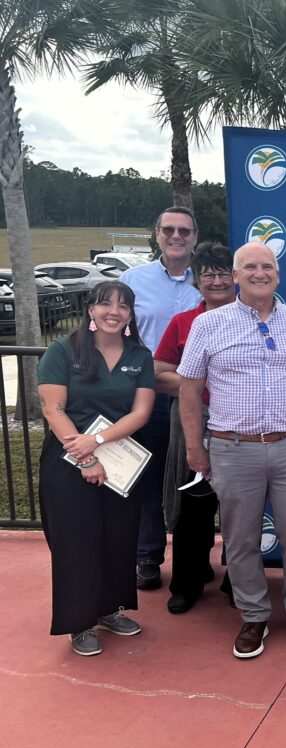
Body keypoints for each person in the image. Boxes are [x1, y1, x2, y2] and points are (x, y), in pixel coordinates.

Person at [177, 242, 286, 659]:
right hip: (232, 448)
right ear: (235, 274)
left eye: (267, 266)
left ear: (277, 275)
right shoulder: (209, 325)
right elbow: (189, 390)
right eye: (249, 267)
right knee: (241, 540)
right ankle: (254, 616)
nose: (259, 272)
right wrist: (195, 447)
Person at [37, 282, 156, 656]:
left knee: (118, 538)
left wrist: (100, 442)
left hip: (119, 461)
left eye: (123, 306)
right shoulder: (63, 350)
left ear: (131, 314)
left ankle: (109, 609)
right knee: (77, 542)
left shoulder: (139, 355)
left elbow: (141, 412)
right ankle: (79, 622)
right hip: (69, 460)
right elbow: (53, 409)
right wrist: (85, 456)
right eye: (105, 304)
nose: (113, 312)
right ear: (91, 309)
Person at [120, 206, 202, 590]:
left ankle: (194, 561)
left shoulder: (210, 282)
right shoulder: (131, 281)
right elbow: (112, 333)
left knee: (196, 481)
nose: (176, 236)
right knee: (148, 481)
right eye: (168, 229)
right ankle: (148, 557)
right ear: (157, 234)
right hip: (148, 398)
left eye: (184, 230)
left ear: (194, 238)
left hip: (201, 399)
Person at [153, 242, 235, 614]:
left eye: (222, 273)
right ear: (197, 282)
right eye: (208, 274)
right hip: (194, 422)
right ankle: (187, 580)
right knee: (193, 504)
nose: (216, 281)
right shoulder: (183, 322)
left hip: (241, 427)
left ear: (235, 277)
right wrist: (200, 384)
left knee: (240, 506)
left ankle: (237, 578)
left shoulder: (254, 318)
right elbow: (158, 373)